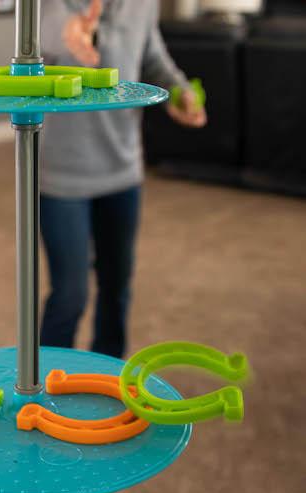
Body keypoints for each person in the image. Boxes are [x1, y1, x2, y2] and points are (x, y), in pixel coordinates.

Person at [40, 0, 207, 358]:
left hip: (123, 168)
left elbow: (151, 56)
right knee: (70, 296)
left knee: (116, 288)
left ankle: (109, 375)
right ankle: (45, 383)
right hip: (62, 175)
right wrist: (68, 33)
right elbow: (41, 38)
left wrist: (180, 90)